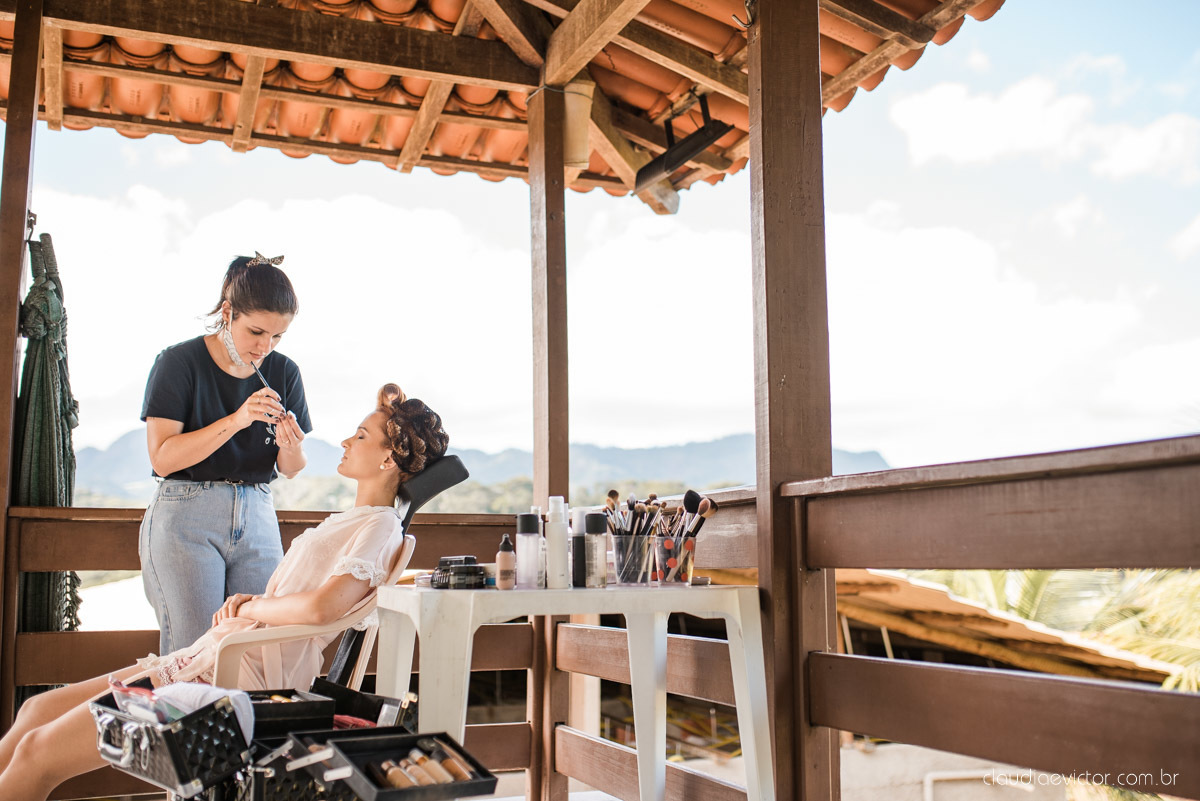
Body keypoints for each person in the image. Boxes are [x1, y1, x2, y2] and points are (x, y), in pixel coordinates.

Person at [0, 384, 449, 800]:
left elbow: (322, 608)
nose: (346, 442)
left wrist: (255, 603)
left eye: (361, 436)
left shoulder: (380, 524)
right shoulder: (357, 520)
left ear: (388, 460)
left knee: (40, 753)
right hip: (213, 654)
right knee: (36, 711)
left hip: (237, 677)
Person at [141, 252, 313, 653]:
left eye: (277, 337)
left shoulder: (285, 372)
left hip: (258, 514)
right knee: (193, 653)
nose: (264, 347)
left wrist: (291, 446)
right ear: (227, 311)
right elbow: (162, 458)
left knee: (257, 649)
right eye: (256, 332)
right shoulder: (178, 363)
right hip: (185, 516)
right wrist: (238, 420)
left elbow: (291, 468)